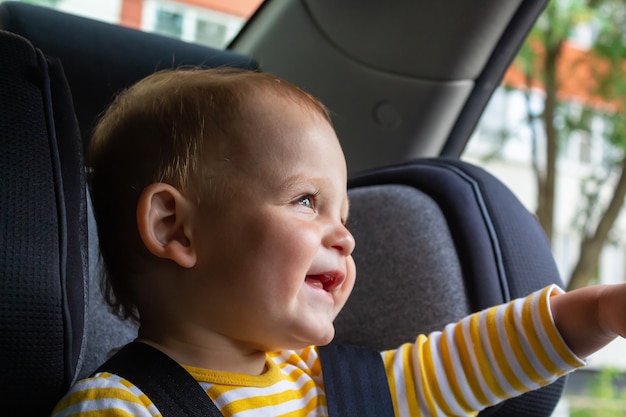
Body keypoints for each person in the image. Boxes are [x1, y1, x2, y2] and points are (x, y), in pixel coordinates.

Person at [52, 67, 626, 417]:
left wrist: (595, 313)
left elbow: (466, 362)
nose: (346, 236)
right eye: (306, 201)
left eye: (343, 212)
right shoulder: (119, 407)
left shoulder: (336, 386)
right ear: (174, 228)